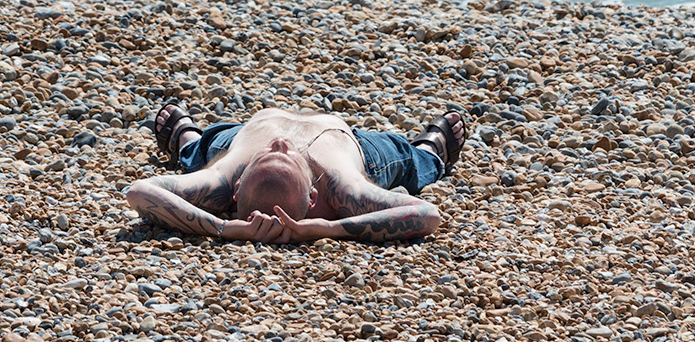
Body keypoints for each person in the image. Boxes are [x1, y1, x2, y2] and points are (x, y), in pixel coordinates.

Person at [124, 102, 466, 245]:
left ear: (238, 184)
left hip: (241, 135)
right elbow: (427, 215)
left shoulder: (223, 179)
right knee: (402, 156)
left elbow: (140, 191)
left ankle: (186, 139)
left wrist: (225, 228)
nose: (280, 143)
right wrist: (331, 228)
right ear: (314, 196)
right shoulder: (341, 188)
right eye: (286, 156)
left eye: (268, 154)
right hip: (347, 143)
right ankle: (432, 150)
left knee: (208, 148)